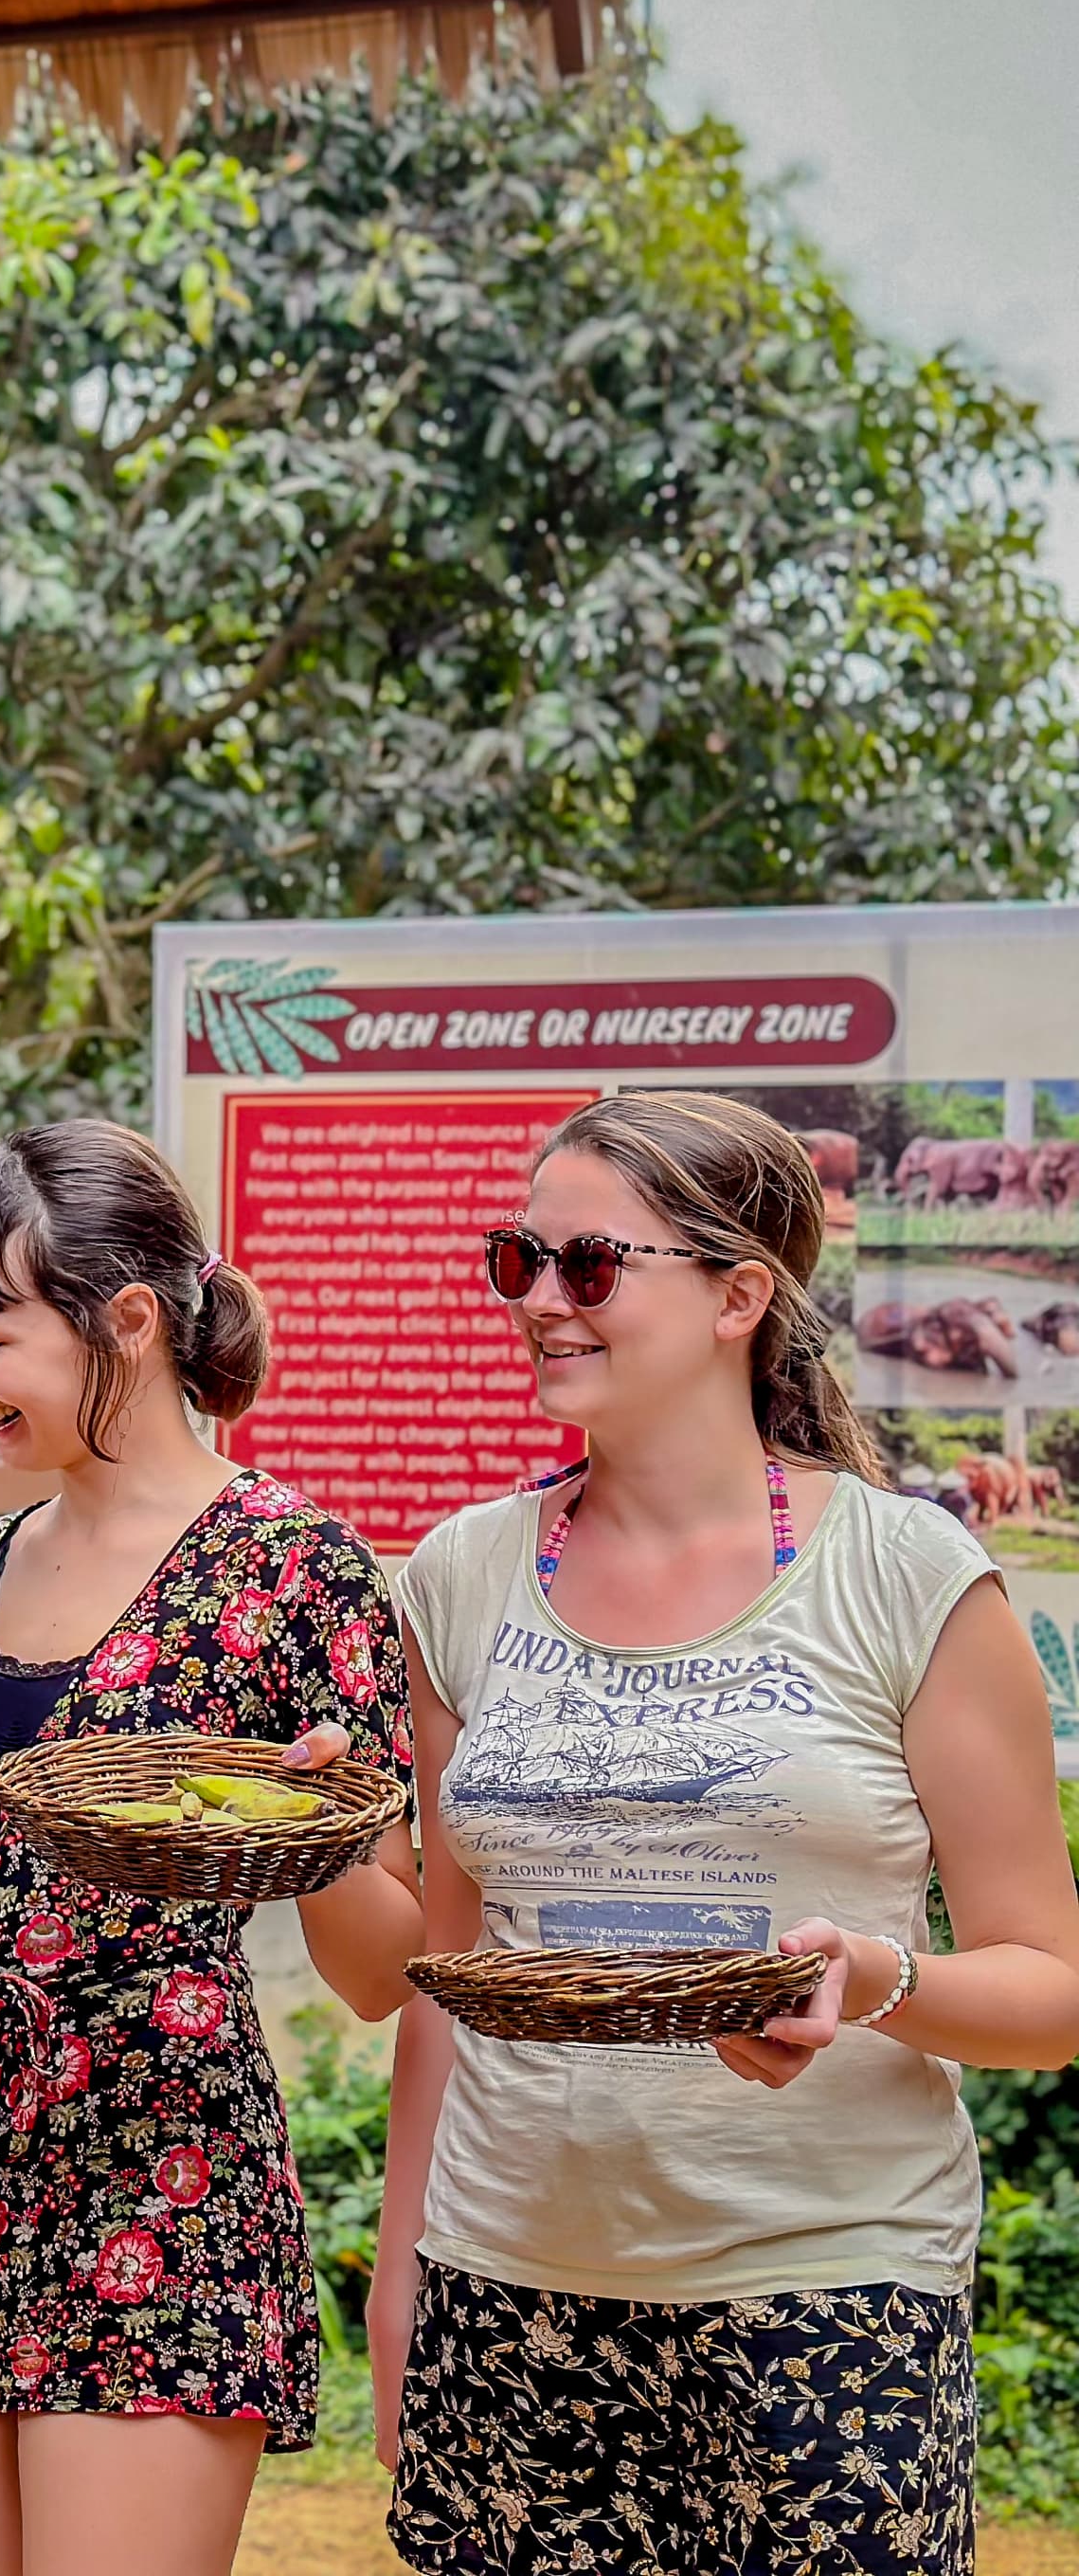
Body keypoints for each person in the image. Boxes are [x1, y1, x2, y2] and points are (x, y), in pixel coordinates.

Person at [375, 1091, 1079, 2576]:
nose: (544, 1303)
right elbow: (451, 1971)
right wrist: (403, 2276)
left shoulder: (909, 1577)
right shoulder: (456, 1575)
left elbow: (1051, 1990)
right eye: (522, 1263)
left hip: (831, 2293)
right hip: (508, 2292)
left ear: (738, 1296)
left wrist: (877, 1979)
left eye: (592, 1265)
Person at [0, 1119, 422, 2576]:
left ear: (128, 1323)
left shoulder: (298, 1570)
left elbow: (387, 1975)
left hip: (158, 2170)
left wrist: (319, 1839)